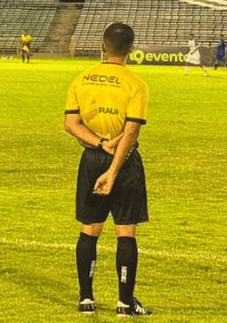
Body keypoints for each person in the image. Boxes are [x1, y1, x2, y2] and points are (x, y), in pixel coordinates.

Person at [63, 22, 151, 317]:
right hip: (124, 162)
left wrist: (100, 144)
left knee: (90, 228)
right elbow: (131, 132)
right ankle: (125, 303)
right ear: (131, 50)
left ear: (102, 46)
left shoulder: (82, 79)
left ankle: (86, 299)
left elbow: (71, 124)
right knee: (126, 230)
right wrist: (113, 170)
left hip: (92, 159)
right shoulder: (136, 84)